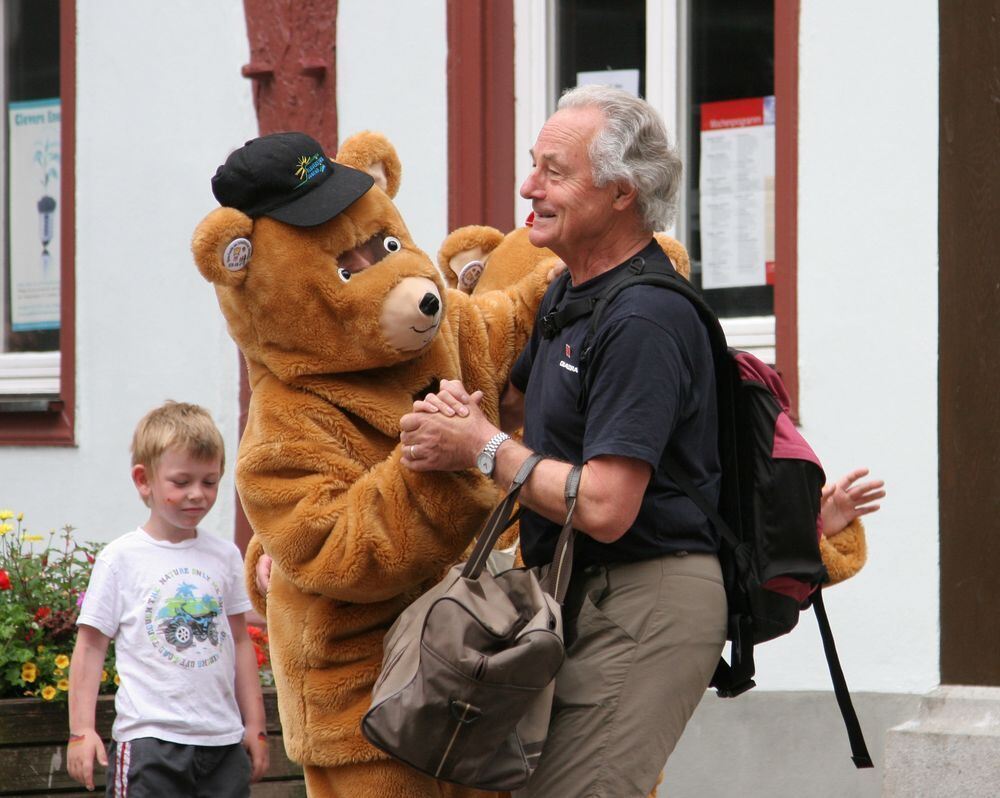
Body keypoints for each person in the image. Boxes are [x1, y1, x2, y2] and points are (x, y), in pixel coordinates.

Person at [400, 84, 726, 798]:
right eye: (532, 165)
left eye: (555, 171)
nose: (528, 186)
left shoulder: (644, 318)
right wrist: (459, 414)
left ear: (620, 192)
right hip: (575, 592)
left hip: (646, 594)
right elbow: (514, 410)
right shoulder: (567, 294)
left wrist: (481, 447)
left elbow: (607, 505)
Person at [67, 401, 269, 795]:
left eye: (209, 482)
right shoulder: (120, 559)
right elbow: (90, 648)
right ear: (144, 481)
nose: (198, 494)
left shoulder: (225, 555)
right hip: (149, 743)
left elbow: (241, 642)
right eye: (182, 482)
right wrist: (81, 732)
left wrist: (256, 728)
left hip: (223, 743)